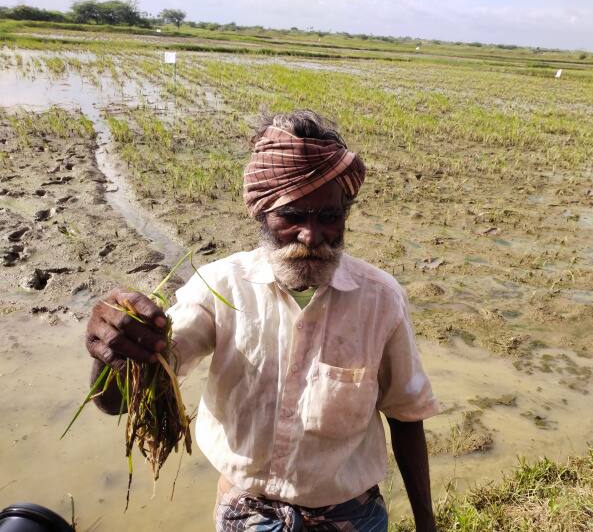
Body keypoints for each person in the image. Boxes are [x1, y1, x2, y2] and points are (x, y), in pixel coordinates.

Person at [85, 110, 440, 531]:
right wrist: (114, 347)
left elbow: (405, 415)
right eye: (292, 215)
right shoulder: (219, 288)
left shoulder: (380, 299)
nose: (311, 235)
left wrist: (426, 525)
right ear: (261, 212)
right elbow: (116, 402)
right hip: (245, 513)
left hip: (351, 516)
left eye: (328, 217)